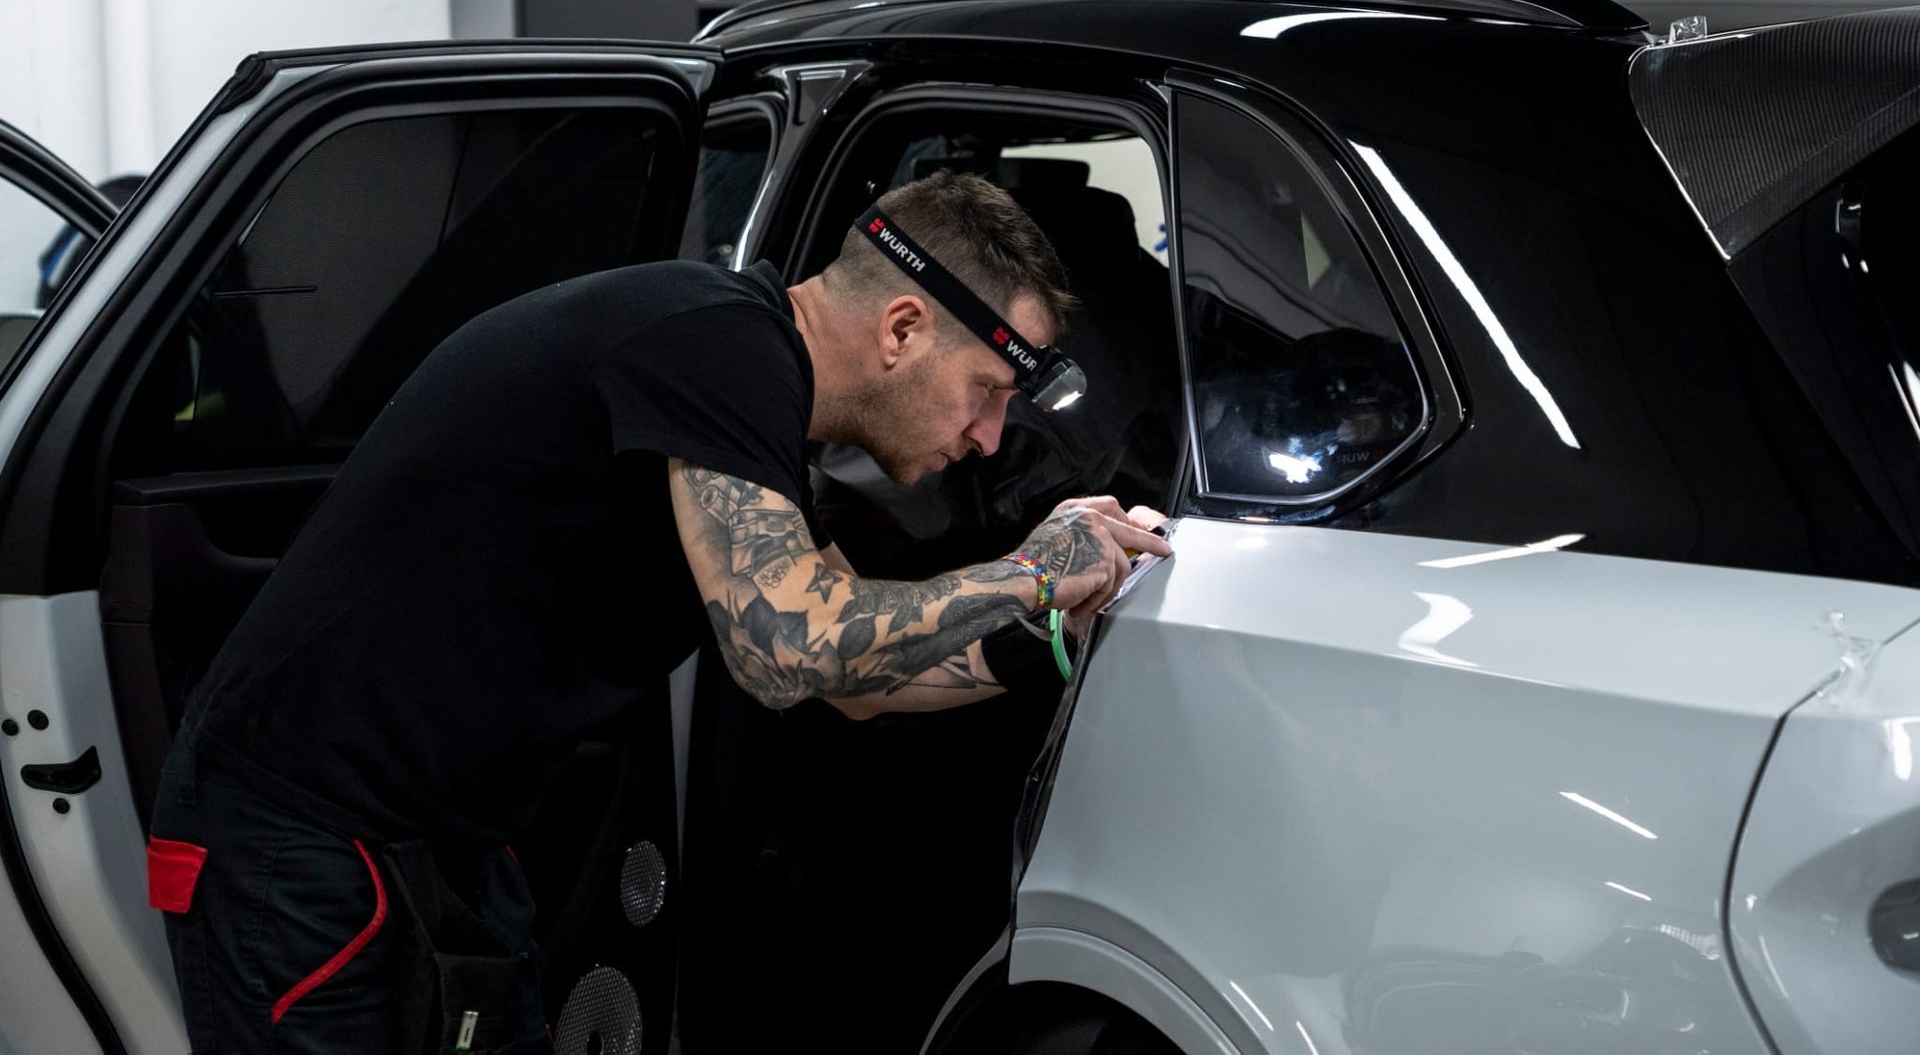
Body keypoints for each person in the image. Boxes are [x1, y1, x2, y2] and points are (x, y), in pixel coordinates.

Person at [144, 169, 1172, 1054]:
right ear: (902, 328)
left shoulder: (740, 398)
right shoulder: (715, 340)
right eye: (987, 390)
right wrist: (1032, 569)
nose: (992, 438)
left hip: (441, 844)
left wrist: (1051, 639)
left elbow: (857, 681)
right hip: (300, 842)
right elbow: (786, 644)